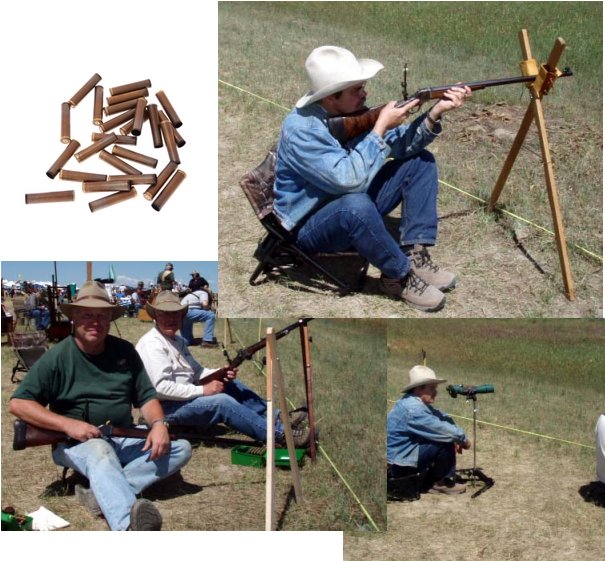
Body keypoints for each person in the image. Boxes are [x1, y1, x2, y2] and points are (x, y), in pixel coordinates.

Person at [273, 46, 471, 312]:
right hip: (309, 224)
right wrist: (379, 127)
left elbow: (401, 147)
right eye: (357, 89)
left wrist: (435, 112)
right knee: (355, 205)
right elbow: (349, 181)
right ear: (332, 97)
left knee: (420, 163)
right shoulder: (302, 130)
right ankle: (397, 277)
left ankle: (415, 256)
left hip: (345, 203)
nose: (365, 93)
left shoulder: (348, 116)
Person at [9, 281, 192, 531]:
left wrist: (159, 424)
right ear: (74, 317)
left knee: (180, 447)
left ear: (109, 319)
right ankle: (129, 525)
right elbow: (19, 403)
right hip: (75, 444)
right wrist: (68, 424)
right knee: (99, 451)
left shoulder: (125, 351)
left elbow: (147, 398)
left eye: (101, 315)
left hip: (123, 436)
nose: (94, 321)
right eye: (87, 315)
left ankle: (101, 492)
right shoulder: (57, 356)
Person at [135, 291, 311, 447]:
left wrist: (219, 372)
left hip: (182, 398)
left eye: (175, 314)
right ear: (155, 316)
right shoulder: (152, 344)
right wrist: (203, 390)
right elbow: (160, 388)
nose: (171, 319)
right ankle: (281, 435)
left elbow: (197, 371)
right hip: (163, 408)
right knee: (222, 403)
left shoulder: (178, 340)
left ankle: (277, 418)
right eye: (164, 314)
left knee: (230, 383)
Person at [387, 365, 470, 495]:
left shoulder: (411, 402)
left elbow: (441, 417)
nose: (435, 392)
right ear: (419, 388)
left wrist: (456, 435)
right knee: (444, 440)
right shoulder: (414, 409)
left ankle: (431, 478)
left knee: (444, 436)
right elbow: (444, 430)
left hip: (397, 458)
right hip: (398, 465)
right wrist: (463, 440)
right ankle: (441, 483)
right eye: (432, 388)